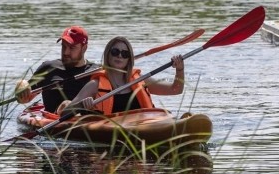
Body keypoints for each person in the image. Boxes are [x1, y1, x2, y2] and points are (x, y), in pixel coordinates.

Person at [57, 36, 185, 115]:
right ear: (108, 55)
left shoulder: (141, 80)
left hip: (143, 126)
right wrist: (81, 106)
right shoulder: (94, 85)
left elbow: (176, 89)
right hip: (112, 132)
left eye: (124, 54)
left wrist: (179, 70)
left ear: (129, 59)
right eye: (115, 52)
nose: (119, 56)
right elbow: (64, 113)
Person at [15, 26, 98, 113]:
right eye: (64, 46)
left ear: (84, 48)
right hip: (53, 119)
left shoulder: (96, 71)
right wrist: (22, 84)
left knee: (67, 104)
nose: (66, 52)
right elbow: (23, 99)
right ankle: (65, 110)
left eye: (72, 48)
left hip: (86, 120)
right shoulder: (48, 68)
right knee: (65, 104)